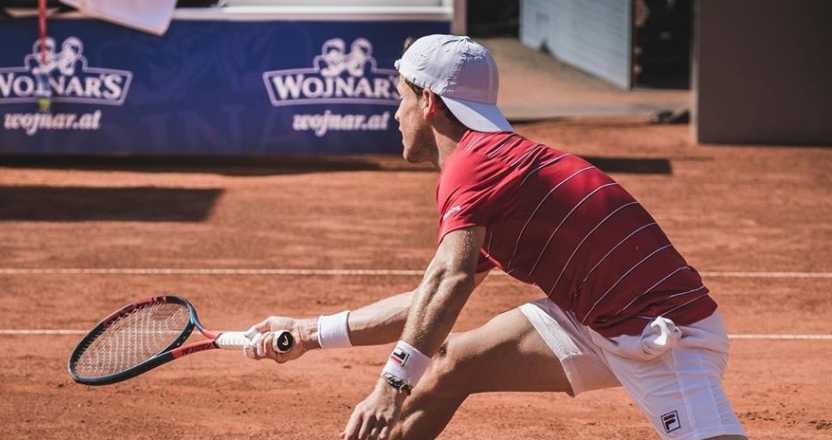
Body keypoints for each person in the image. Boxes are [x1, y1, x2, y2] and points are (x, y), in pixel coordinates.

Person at [244, 34, 747, 440]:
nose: (396, 116)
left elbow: (449, 281)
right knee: (450, 365)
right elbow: (429, 301)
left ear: (428, 101)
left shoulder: (473, 164)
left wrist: (390, 387)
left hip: (661, 335)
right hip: (591, 317)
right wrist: (311, 332)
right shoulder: (493, 163)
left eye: (400, 101)